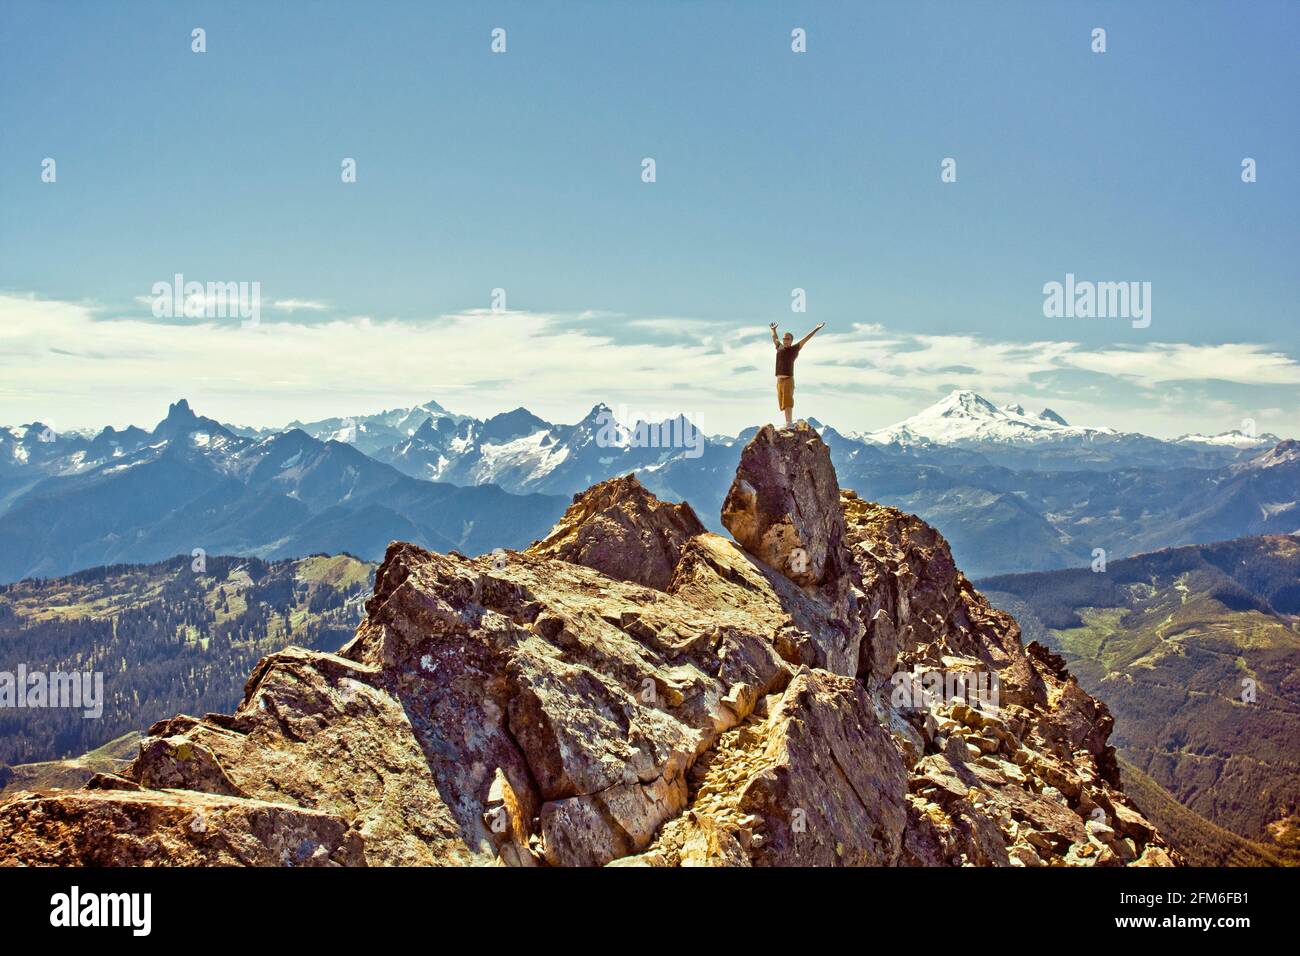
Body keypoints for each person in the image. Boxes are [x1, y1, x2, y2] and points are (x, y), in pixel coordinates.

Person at [770, 322, 825, 426]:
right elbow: (775, 338)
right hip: (779, 380)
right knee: (782, 403)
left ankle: (789, 423)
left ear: (791, 341)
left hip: (788, 379)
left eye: (787, 339)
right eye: (784, 339)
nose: (785, 340)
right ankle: (787, 422)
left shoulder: (794, 349)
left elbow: (806, 338)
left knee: (787, 402)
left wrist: (816, 328)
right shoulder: (780, 347)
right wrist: (773, 329)